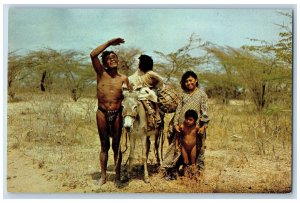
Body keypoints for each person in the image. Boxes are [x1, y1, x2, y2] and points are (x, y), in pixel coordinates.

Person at [90, 37, 130, 186]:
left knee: (117, 146)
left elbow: (129, 98)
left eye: (114, 57)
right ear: (105, 62)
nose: (112, 59)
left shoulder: (124, 78)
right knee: (104, 146)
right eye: (109, 58)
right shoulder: (101, 74)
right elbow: (93, 55)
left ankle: (118, 177)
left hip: (118, 114)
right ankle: (103, 177)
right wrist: (109, 43)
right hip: (102, 113)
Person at [173, 70, 210, 171]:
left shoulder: (202, 94)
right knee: (179, 150)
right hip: (182, 129)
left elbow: (205, 112)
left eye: (190, 80)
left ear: (196, 80)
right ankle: (175, 171)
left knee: (197, 151)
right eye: (186, 81)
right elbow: (178, 110)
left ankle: (197, 173)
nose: (189, 83)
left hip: (196, 129)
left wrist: (204, 126)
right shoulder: (183, 94)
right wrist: (176, 124)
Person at [129, 54, 164, 129]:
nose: (138, 65)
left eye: (139, 63)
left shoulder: (149, 74)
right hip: (146, 91)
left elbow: (159, 79)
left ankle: (155, 113)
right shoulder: (143, 74)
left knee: (146, 95)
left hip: (150, 91)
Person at [175, 109, 205, 176]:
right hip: (184, 147)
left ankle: (193, 176)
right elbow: (177, 136)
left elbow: (202, 137)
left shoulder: (196, 127)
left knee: (193, 162)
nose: (188, 121)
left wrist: (203, 146)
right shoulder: (182, 127)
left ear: (195, 121)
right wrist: (176, 146)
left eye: (190, 120)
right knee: (185, 162)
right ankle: (186, 177)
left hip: (193, 147)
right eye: (186, 119)